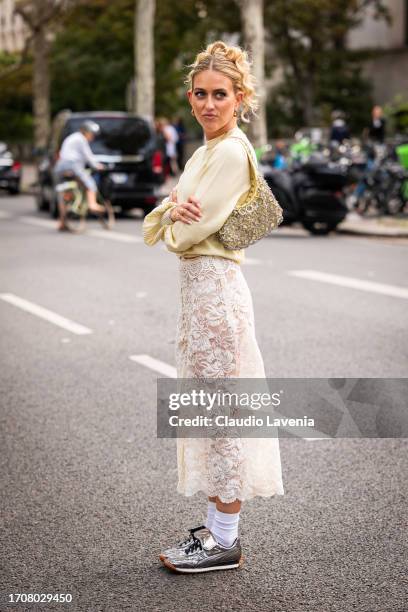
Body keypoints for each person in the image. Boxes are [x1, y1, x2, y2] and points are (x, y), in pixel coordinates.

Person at [143, 40, 284, 574]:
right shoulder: (203, 151)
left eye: (219, 94)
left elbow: (184, 233)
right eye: (200, 94)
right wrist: (169, 213)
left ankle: (225, 540)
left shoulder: (228, 152)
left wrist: (171, 220)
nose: (208, 104)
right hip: (200, 296)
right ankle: (216, 530)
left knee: (223, 414)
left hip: (216, 294)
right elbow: (166, 219)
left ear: (240, 97)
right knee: (212, 410)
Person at [53, 120, 105, 231]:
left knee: (64, 193)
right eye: (92, 134)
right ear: (86, 132)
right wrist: (97, 166)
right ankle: (92, 204)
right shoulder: (81, 139)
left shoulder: (71, 138)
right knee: (90, 183)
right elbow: (88, 156)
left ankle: (62, 222)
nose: (93, 137)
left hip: (61, 166)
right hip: (73, 165)